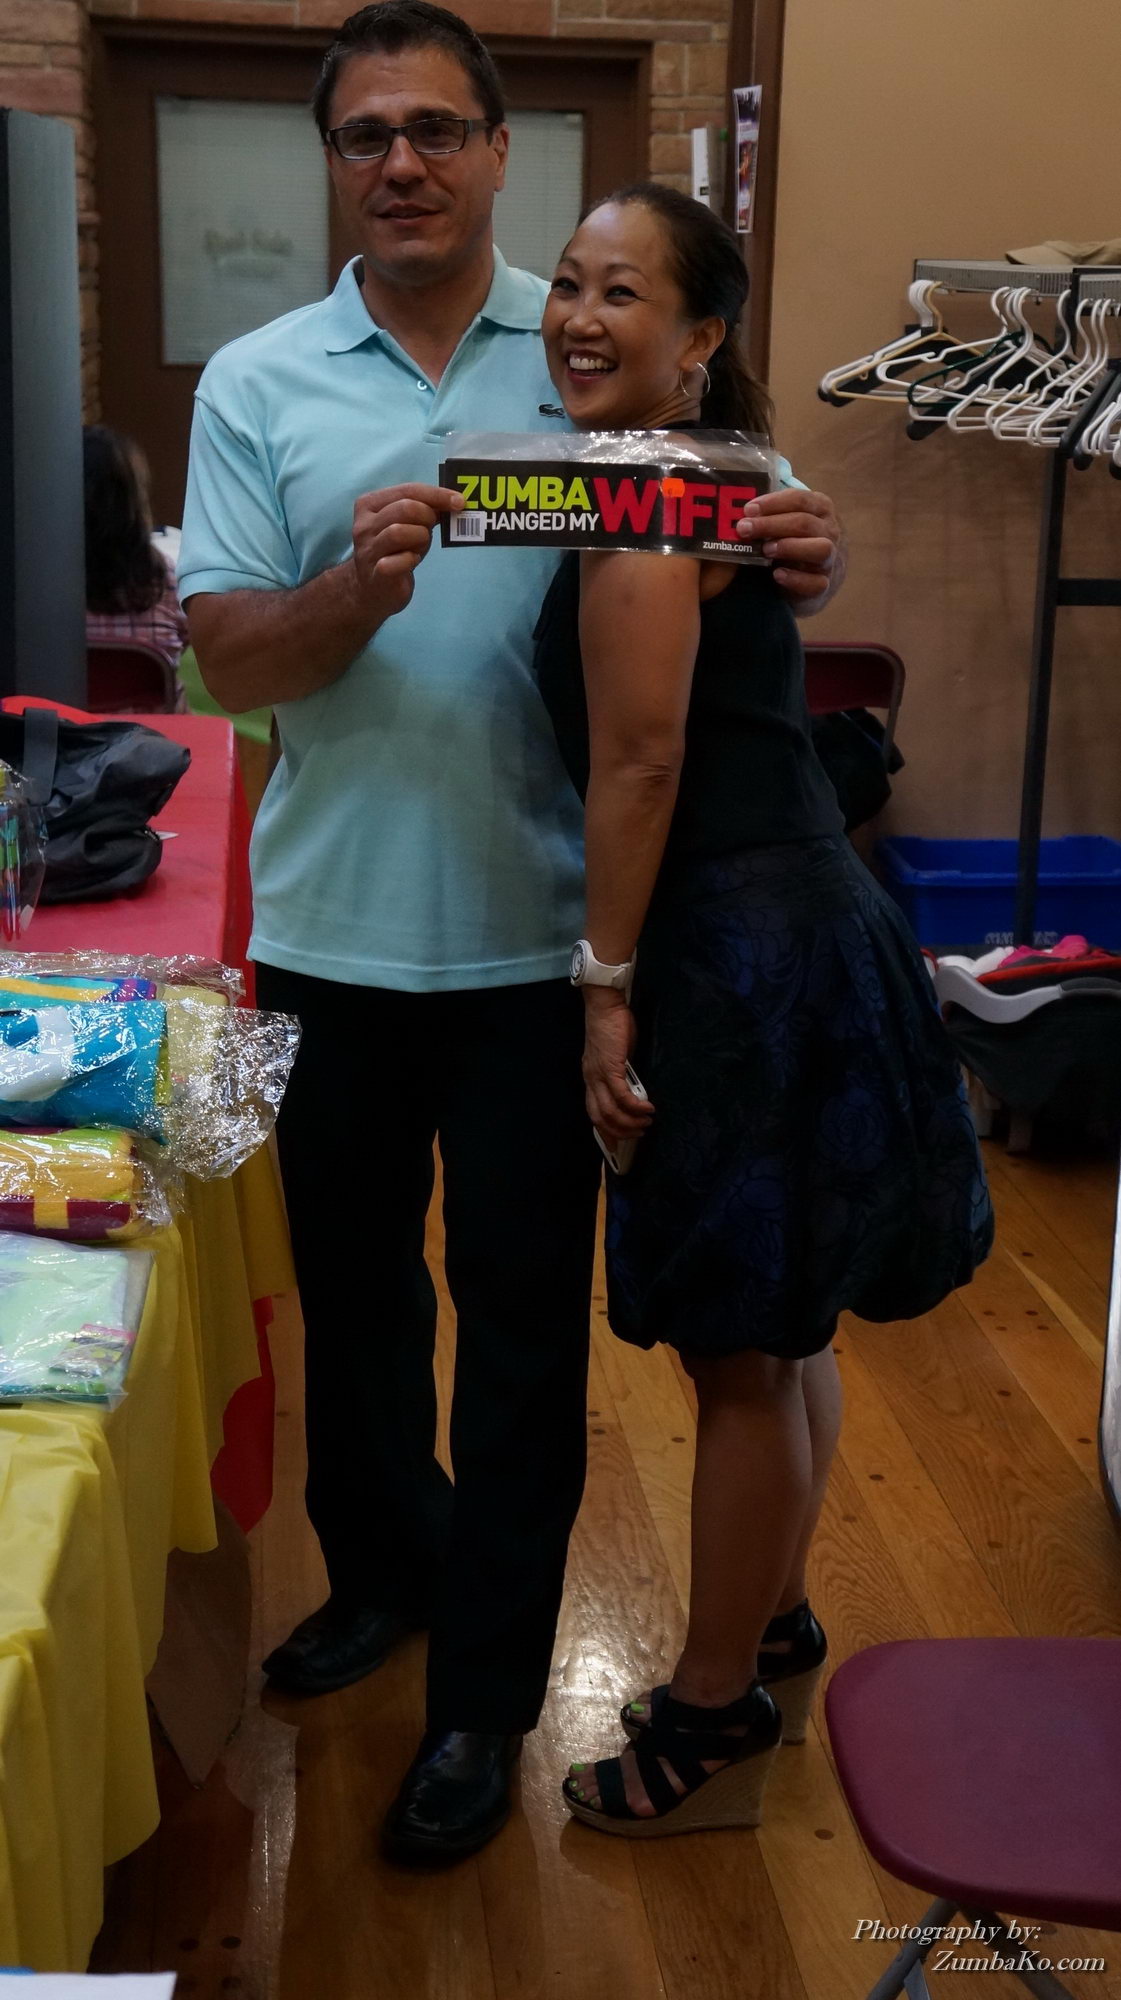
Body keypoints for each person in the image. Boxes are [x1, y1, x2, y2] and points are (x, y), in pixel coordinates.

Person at [178, 0, 847, 1865]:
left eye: (436, 129)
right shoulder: (257, 383)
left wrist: (799, 548)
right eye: (365, 134)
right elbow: (227, 658)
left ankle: (485, 1698)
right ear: (335, 162)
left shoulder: (586, 342)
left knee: (526, 1338)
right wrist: (353, 590)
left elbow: (733, 529)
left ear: (494, 152)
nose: (401, 161)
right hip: (328, 931)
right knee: (356, 1312)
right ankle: (383, 1574)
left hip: (546, 949)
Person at [530, 183, 994, 1836]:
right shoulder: (706, 477)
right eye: (568, 284)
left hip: (734, 947)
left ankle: (710, 1708)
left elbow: (641, 765)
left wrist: (601, 994)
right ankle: (773, 1613)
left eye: (623, 293)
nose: (580, 317)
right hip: (808, 915)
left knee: (739, 1351)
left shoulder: (657, 504)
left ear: (699, 337)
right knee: (785, 1329)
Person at [83, 425, 188, 696]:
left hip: (65, 721)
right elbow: (186, 640)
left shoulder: (35, 588)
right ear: (136, 502)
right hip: (154, 723)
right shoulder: (167, 579)